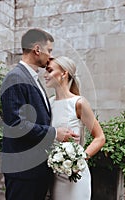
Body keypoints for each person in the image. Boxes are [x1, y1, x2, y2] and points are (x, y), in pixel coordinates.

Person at [0, 29, 78, 200]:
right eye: (49, 50)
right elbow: (16, 125)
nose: (50, 56)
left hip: (36, 170)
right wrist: (55, 134)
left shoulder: (33, 78)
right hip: (23, 171)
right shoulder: (15, 77)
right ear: (37, 49)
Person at [44, 56, 106, 200]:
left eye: (50, 70)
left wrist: (79, 160)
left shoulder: (78, 103)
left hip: (75, 176)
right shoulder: (49, 103)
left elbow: (100, 137)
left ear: (64, 74)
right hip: (54, 176)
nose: (45, 75)